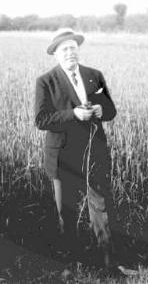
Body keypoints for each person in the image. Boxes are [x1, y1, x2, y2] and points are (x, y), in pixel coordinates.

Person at [34, 28, 117, 267]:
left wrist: (103, 111)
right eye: (64, 49)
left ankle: (108, 261)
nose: (70, 52)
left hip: (94, 152)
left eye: (73, 48)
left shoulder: (95, 75)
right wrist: (74, 114)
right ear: (56, 54)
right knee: (66, 212)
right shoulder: (46, 81)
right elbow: (41, 120)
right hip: (63, 155)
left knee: (100, 206)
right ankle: (72, 264)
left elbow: (111, 110)